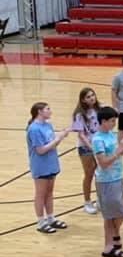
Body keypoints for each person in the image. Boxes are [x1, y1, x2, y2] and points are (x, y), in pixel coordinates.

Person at [92, 106, 123, 257]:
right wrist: (119, 150)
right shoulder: (98, 139)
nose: (115, 124)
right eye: (112, 121)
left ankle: (110, 244)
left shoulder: (110, 135)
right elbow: (103, 163)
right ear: (103, 121)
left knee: (111, 215)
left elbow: (117, 155)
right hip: (106, 180)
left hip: (117, 176)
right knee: (118, 212)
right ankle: (113, 239)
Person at [27, 102, 70, 234]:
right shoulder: (34, 129)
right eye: (48, 109)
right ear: (39, 111)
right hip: (41, 165)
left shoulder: (48, 125)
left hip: (51, 163)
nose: (50, 111)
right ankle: (41, 222)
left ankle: (51, 218)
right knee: (41, 194)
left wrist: (60, 137)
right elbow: (40, 150)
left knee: (49, 192)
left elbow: (52, 144)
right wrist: (58, 139)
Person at [71, 88, 100, 215]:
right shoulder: (79, 114)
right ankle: (87, 202)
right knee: (89, 173)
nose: (92, 98)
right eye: (88, 97)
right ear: (83, 99)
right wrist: (91, 146)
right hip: (86, 148)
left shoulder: (99, 109)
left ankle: (100, 200)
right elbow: (81, 135)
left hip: (99, 145)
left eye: (93, 95)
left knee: (100, 173)